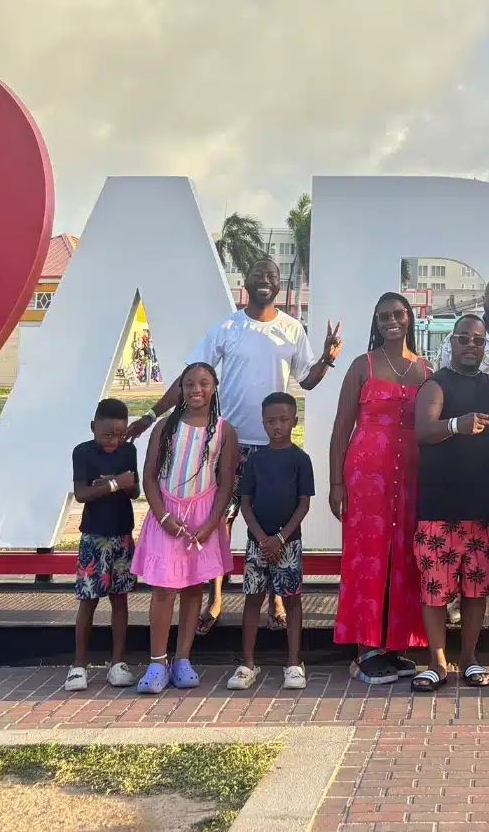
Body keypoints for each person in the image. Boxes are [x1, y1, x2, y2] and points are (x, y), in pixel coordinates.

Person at [129, 257, 342, 628]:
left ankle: (276, 598)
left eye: (272, 275)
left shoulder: (292, 329)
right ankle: (214, 599)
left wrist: (327, 358)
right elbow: (188, 379)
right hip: (227, 441)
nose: (265, 280)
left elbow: (306, 380)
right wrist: (151, 416)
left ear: (279, 284)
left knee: (273, 517)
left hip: (275, 446)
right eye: (258, 274)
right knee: (220, 519)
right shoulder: (227, 327)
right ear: (245, 282)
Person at [330, 292, 430, 683]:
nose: (392, 320)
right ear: (376, 321)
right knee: (366, 556)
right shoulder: (362, 365)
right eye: (384, 315)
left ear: (409, 319)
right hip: (366, 475)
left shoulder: (425, 369)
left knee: (405, 557)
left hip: (411, 476)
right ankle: (364, 650)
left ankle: (394, 646)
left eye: (399, 314)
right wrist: (336, 482)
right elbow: (341, 428)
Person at [409, 313, 489, 690]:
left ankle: (469, 659)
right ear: (452, 342)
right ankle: (437, 662)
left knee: (475, 590)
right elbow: (422, 431)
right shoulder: (436, 384)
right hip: (438, 508)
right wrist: (456, 425)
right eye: (463, 338)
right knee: (435, 589)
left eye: (477, 340)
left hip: (481, 507)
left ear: (485, 346)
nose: (470, 345)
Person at [132, 362, 239, 694]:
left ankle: (183, 659)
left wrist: (211, 523)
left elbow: (225, 484)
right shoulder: (165, 426)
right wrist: (163, 516)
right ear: (180, 389)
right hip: (168, 516)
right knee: (164, 589)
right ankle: (156, 661)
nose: (196, 389)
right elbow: (150, 476)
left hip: (202, 519)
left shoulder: (224, 430)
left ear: (215, 387)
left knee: (194, 587)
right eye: (189, 383)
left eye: (204, 383)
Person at [226, 392, 313, 692]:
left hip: (289, 543)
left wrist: (280, 537)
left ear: (294, 421)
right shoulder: (255, 461)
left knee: (292, 600)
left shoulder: (301, 460)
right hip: (257, 545)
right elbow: (246, 504)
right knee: (252, 599)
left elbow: (303, 504)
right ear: (263, 423)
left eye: (284, 420)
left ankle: (293, 662)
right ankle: (248, 663)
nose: (277, 426)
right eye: (271, 421)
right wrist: (262, 538)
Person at [65, 397, 140, 693]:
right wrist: (112, 484)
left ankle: (118, 663)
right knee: (88, 600)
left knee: (120, 599)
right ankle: (79, 665)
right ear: (93, 427)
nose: (114, 441)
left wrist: (125, 484)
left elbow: (133, 490)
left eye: (120, 435)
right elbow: (82, 493)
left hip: (122, 534)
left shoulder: (128, 450)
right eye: (107, 435)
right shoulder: (82, 452)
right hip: (93, 538)